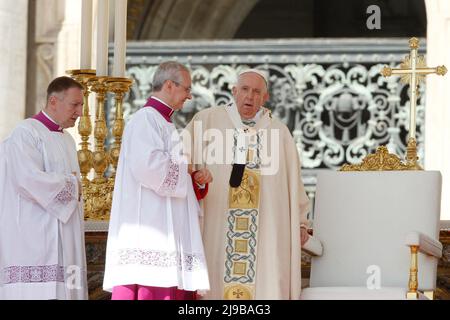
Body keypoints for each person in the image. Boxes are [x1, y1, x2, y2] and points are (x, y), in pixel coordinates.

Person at [184, 69, 310, 300]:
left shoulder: (279, 133)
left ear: (265, 98)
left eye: (256, 92)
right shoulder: (206, 121)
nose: (249, 97)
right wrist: (195, 176)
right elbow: (180, 162)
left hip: (265, 232)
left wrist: (300, 223)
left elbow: (294, 183)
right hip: (217, 224)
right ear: (234, 91)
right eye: (244, 89)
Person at [103, 61, 211, 300]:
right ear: (170, 85)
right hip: (151, 232)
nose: (189, 96)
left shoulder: (165, 122)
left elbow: (173, 173)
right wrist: (186, 170)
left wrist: (194, 178)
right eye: (187, 89)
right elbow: (149, 167)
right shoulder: (145, 120)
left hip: (166, 229)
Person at [0, 76, 88, 300]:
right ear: (53, 102)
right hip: (36, 241)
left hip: (65, 237)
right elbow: (27, 180)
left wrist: (72, 185)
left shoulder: (68, 139)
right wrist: (73, 184)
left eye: (81, 105)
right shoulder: (25, 133)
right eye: (74, 105)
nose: (79, 112)